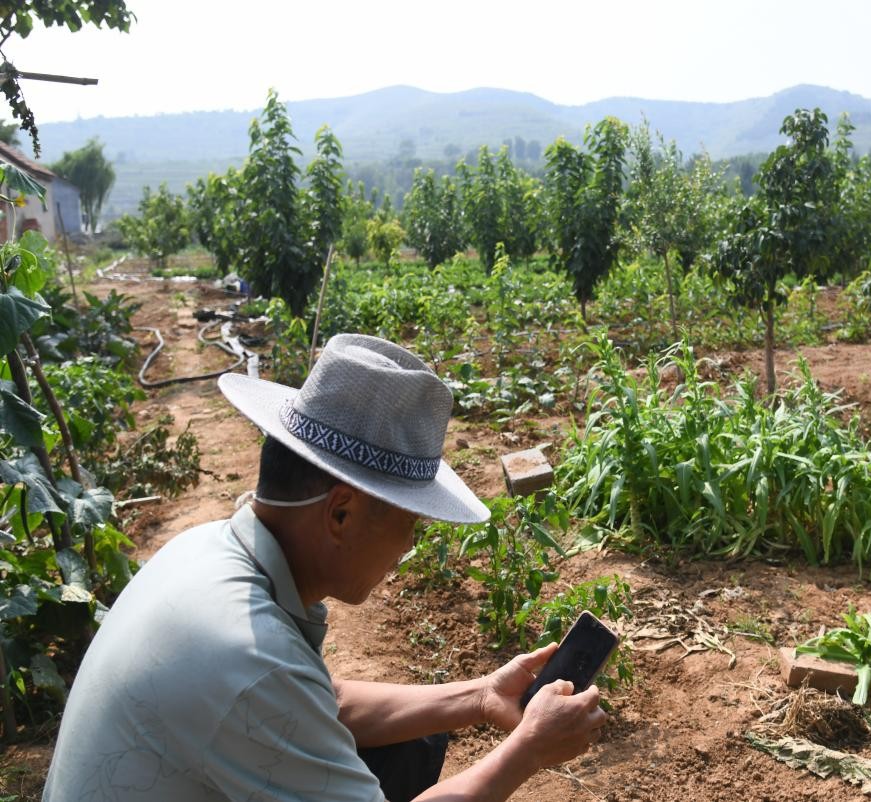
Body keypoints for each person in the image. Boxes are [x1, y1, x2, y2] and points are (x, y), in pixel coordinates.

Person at [44, 334, 606, 801]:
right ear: (341, 513)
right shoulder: (252, 659)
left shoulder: (206, 551)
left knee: (407, 748)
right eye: (409, 522)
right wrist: (528, 750)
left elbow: (324, 703)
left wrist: (481, 696)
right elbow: (279, 688)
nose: (409, 544)